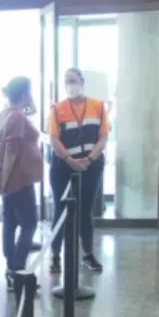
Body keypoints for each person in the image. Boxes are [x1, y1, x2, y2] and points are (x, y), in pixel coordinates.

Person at [49, 68, 110, 274]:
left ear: (82, 81)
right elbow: (54, 139)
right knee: (59, 211)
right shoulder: (57, 109)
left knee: (86, 211)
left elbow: (103, 137)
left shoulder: (98, 106)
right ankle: (55, 256)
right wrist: (69, 159)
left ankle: (88, 255)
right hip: (62, 167)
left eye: (73, 80)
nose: (70, 85)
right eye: (67, 82)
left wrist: (91, 158)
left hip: (91, 165)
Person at [0, 77, 43, 291]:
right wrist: (5, 181)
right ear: (24, 94)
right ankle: (16, 269)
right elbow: (11, 151)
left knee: (11, 222)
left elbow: (31, 111)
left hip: (11, 179)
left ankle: (11, 268)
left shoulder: (6, 113)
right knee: (29, 224)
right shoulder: (16, 117)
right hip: (18, 179)